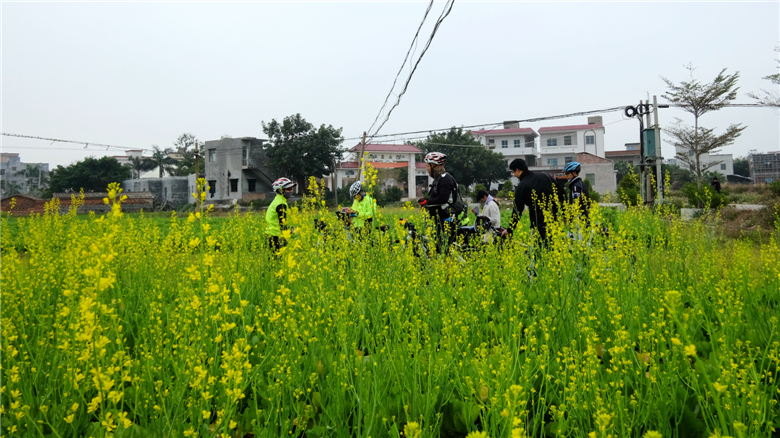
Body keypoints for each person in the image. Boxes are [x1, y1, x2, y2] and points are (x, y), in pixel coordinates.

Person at [417, 152, 465, 253]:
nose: (426, 168)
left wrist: (428, 202)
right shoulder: (438, 179)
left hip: (447, 217)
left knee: (442, 248)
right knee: (437, 247)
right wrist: (426, 202)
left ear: (433, 165)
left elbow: (443, 198)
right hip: (440, 218)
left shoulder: (445, 179)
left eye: (427, 166)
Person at [508, 158, 557, 246]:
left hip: (538, 224)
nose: (514, 175)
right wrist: (564, 214)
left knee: (540, 248)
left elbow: (517, 210)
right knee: (555, 247)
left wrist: (510, 230)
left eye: (513, 172)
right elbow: (560, 192)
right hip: (554, 221)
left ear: (518, 170)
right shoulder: (545, 176)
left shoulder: (521, 186)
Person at [266, 177, 296, 252]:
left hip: (270, 235)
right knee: (277, 258)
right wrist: (287, 234)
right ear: (281, 190)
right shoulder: (281, 204)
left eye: (291, 189)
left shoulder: (277, 201)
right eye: (288, 189)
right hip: (276, 237)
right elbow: (282, 223)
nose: (290, 191)